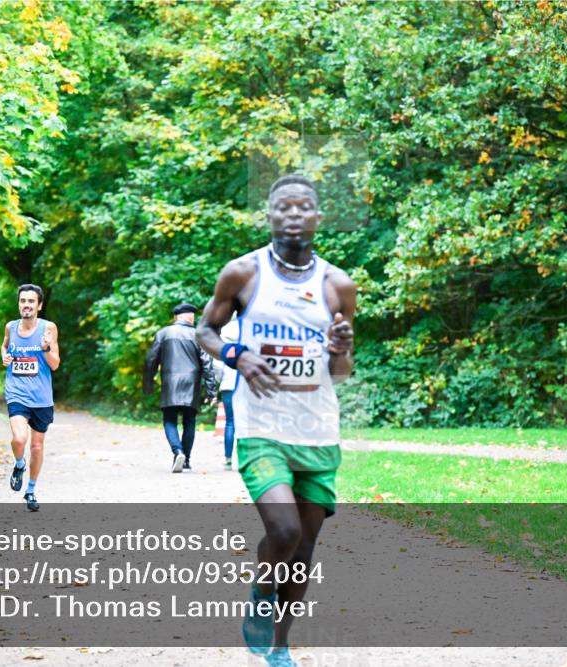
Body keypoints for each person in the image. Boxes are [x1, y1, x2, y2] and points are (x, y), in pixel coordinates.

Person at [196, 174, 356, 667]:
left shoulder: (338, 285)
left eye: (303, 206)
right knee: (283, 532)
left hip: (317, 430)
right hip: (262, 425)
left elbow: (341, 372)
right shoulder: (242, 274)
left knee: (304, 548)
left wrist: (341, 349)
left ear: (317, 218)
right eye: (282, 206)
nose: (292, 214)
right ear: (268, 215)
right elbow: (205, 330)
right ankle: (262, 595)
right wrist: (238, 356)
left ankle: (279, 645)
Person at [1, 284, 59, 512]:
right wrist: (5, 357)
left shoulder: (48, 329)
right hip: (16, 391)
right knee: (19, 439)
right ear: (19, 304)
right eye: (23, 301)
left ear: (39, 305)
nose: (26, 305)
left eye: (31, 301)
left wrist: (45, 348)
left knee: (36, 446)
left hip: (42, 397)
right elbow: (4, 347)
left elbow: (54, 364)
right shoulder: (10, 327)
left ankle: (31, 490)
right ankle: (19, 464)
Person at [143, 303, 218, 473]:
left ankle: (177, 451)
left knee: (169, 420)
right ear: (189, 317)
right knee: (189, 422)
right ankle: (186, 461)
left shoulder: (163, 333)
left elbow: (150, 361)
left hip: (170, 383)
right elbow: (207, 364)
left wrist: (148, 385)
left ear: (176, 317)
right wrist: (211, 390)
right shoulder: (198, 336)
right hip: (192, 384)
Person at [210, 317, 240, 470]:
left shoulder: (223, 344)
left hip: (228, 384)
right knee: (246, 423)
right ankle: (244, 457)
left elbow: (217, 366)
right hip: (246, 385)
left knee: (230, 421)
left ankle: (228, 458)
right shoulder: (250, 336)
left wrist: (219, 380)